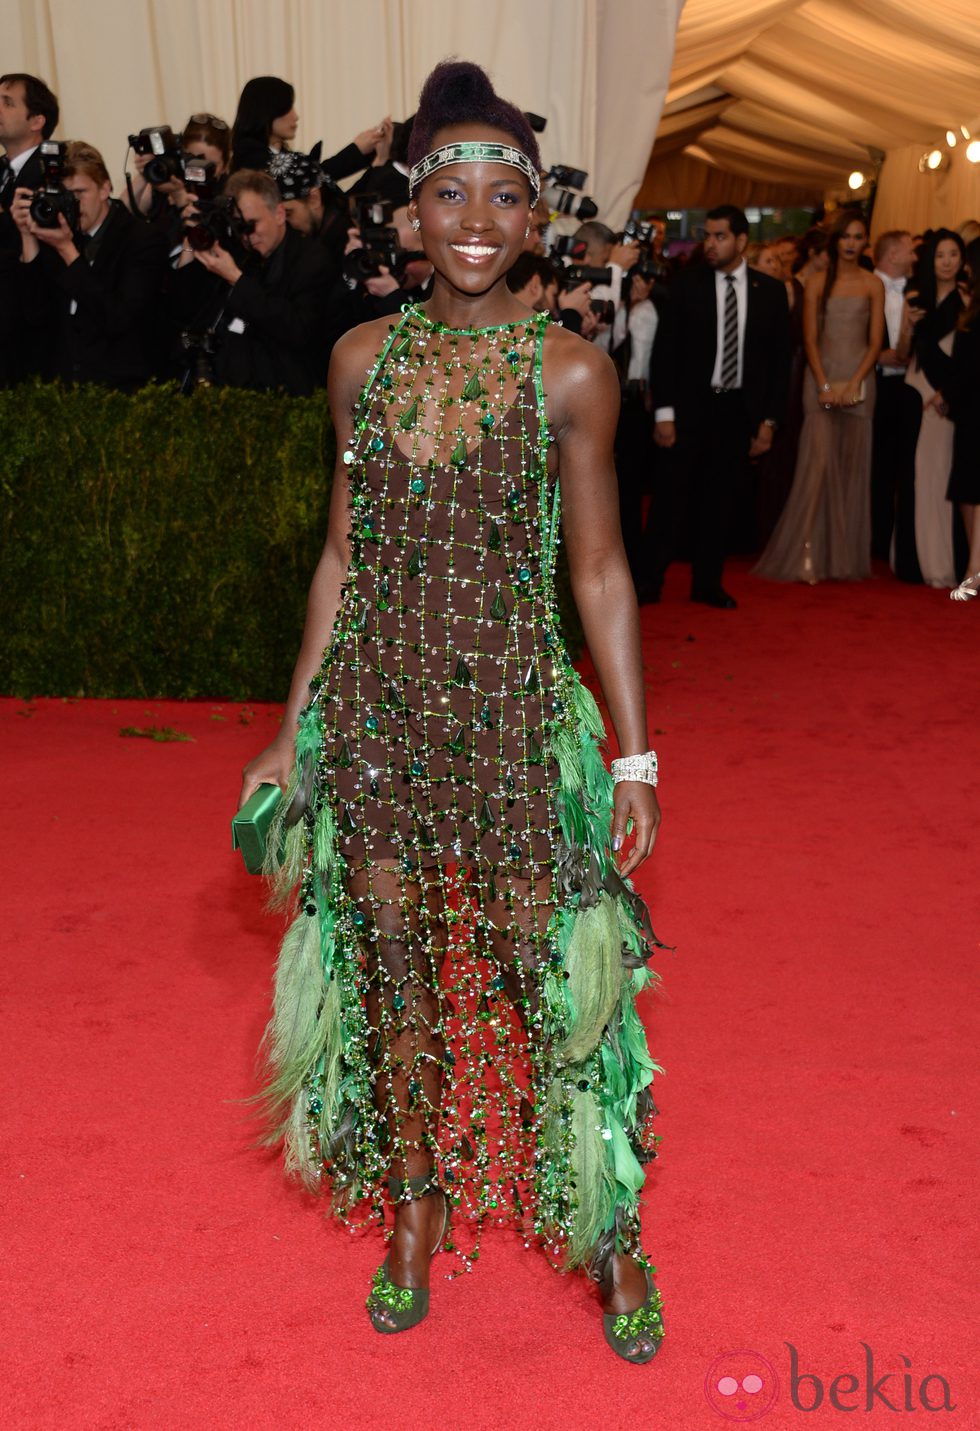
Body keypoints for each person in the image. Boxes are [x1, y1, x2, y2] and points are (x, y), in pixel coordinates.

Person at [238, 58, 667, 1364]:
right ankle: (415, 1209)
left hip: (519, 739)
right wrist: (291, 721)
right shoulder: (359, 361)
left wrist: (635, 753)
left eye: (504, 196)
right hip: (375, 728)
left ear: (535, 219)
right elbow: (340, 556)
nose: (476, 218)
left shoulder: (571, 375)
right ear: (411, 215)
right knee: (400, 986)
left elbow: (599, 571)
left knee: (563, 989)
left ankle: (607, 1229)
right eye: (452, 194)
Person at [650, 204, 790, 607]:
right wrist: (664, 412)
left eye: (719, 236)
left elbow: (779, 365)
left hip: (736, 411)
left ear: (741, 241)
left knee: (720, 501)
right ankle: (650, 581)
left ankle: (707, 584)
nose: (709, 244)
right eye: (706, 236)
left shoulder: (771, 292)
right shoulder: (685, 285)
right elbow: (666, 354)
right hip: (689, 408)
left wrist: (768, 421)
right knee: (670, 498)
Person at [754, 209, 884, 583]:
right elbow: (809, 339)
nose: (852, 244)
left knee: (850, 469)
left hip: (860, 384)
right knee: (816, 467)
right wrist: (826, 384)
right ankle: (807, 555)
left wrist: (853, 384)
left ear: (865, 242)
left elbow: (876, 343)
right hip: (820, 381)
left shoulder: (872, 284)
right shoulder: (815, 283)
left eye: (859, 237)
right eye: (846, 237)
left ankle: (841, 559)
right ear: (835, 240)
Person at [12, 141, 168, 389]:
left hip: (122, 393)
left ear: (105, 188)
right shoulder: (58, 234)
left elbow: (118, 318)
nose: (72, 205)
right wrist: (28, 238)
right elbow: (35, 314)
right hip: (63, 393)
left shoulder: (142, 239)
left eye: (80, 193)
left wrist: (67, 251)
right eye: (65, 196)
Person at [171, 168, 334, 394]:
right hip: (229, 391)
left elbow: (297, 329)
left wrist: (235, 279)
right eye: (240, 225)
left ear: (279, 214)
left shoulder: (312, 259)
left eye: (252, 223)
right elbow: (184, 309)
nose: (247, 235)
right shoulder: (234, 251)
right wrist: (191, 243)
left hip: (287, 394)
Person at [893, 229, 964, 588]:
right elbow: (904, 353)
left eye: (954, 254)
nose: (948, 261)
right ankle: (917, 562)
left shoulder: (968, 301)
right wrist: (907, 324)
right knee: (919, 478)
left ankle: (949, 562)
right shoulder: (916, 299)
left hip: (952, 399)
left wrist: (948, 391)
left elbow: (970, 357)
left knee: (947, 478)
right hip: (917, 395)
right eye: (941, 255)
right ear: (930, 259)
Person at [0, 72, 59, 384]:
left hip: (30, 330)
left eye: (7, 102)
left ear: (37, 120)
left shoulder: (53, 176)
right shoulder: (2, 172)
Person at [230, 74, 385, 184]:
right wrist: (357, 149)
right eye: (287, 107)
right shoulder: (248, 155)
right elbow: (308, 180)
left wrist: (372, 156)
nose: (296, 116)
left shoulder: (279, 154)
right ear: (267, 111)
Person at [870, 230, 916, 564]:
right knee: (877, 467)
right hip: (876, 387)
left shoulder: (916, 292)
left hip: (909, 388)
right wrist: (874, 356)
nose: (915, 258)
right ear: (893, 255)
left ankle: (899, 542)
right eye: (909, 251)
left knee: (906, 465)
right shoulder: (864, 287)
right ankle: (875, 539)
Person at [946, 270, 980, 599]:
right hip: (971, 411)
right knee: (968, 489)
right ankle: (974, 568)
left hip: (970, 410)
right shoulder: (969, 316)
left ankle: (974, 569)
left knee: (971, 489)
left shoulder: (970, 317)